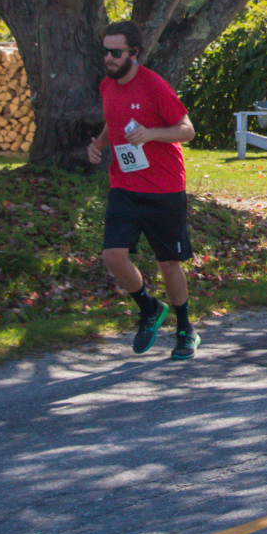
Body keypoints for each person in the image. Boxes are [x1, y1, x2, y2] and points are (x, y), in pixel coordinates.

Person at [86, 21, 200, 358]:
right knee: (113, 256)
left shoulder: (153, 85)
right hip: (124, 183)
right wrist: (100, 143)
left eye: (115, 52)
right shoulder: (107, 86)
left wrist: (151, 133)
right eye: (105, 50)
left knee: (168, 262)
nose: (108, 57)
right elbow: (114, 119)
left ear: (133, 53)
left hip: (163, 187)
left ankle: (184, 328)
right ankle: (149, 308)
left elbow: (187, 130)